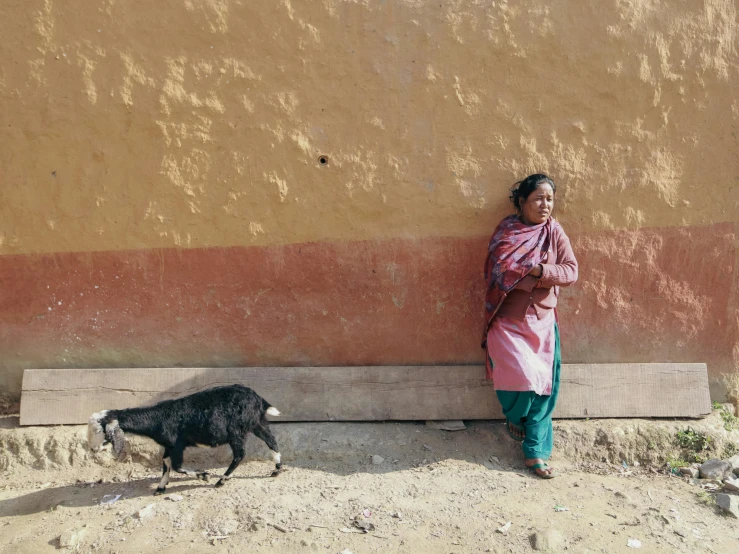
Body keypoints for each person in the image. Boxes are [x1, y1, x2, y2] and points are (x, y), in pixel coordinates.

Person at [482, 173, 578, 479]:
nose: (545, 204)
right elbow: (499, 270)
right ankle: (515, 416)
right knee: (517, 376)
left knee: (544, 385)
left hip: (542, 319)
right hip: (508, 320)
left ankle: (536, 452)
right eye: (538, 198)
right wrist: (525, 270)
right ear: (522, 202)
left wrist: (540, 271)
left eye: (549, 199)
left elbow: (571, 271)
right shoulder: (506, 233)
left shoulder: (554, 232)